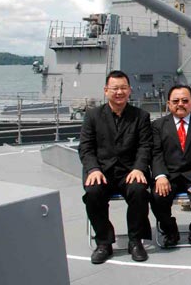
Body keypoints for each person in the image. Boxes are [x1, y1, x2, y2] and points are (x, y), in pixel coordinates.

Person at [78, 70, 152, 264]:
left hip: (129, 170)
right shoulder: (93, 116)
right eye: (115, 88)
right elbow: (85, 147)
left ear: (130, 90)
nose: (119, 92)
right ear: (106, 90)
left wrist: (139, 168)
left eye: (123, 88)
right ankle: (104, 242)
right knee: (93, 193)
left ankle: (135, 241)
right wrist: (93, 169)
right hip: (102, 171)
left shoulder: (141, 116)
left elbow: (145, 146)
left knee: (139, 191)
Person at [150, 85, 191, 247]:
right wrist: (160, 175)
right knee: (157, 197)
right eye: (176, 101)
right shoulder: (158, 126)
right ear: (169, 104)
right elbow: (155, 153)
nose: (180, 104)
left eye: (185, 101)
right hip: (169, 176)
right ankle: (170, 230)